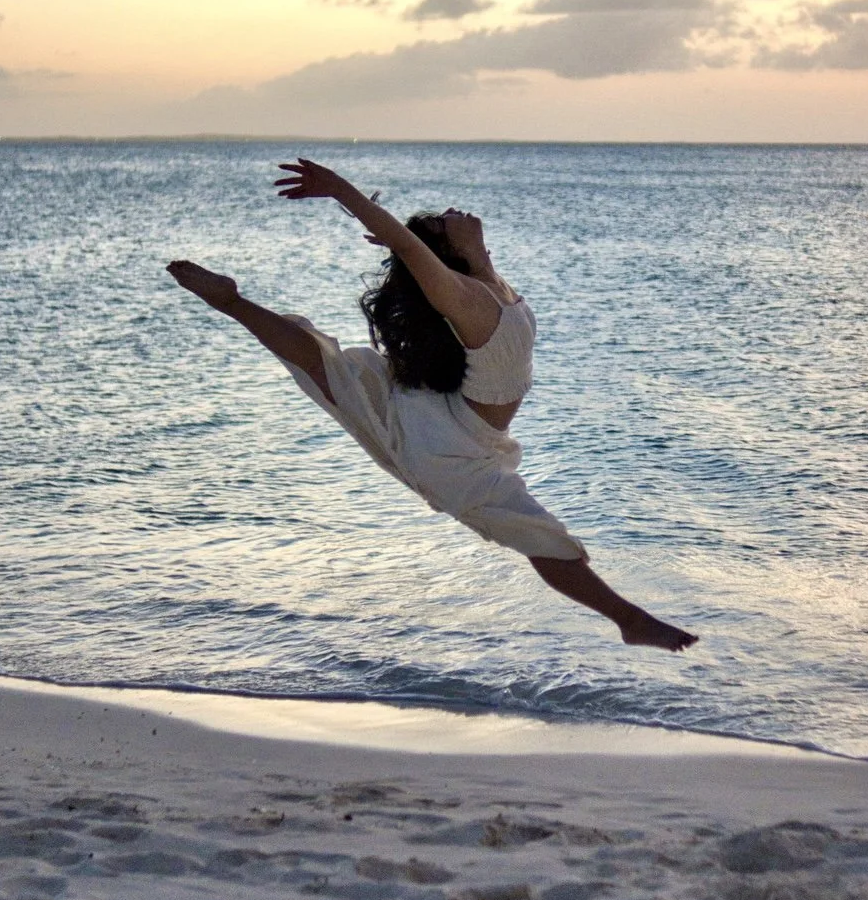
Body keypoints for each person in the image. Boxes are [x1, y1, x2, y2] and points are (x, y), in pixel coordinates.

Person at [166, 158, 698, 651]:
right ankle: (628, 620)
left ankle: (232, 303)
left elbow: (408, 244)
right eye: (445, 223)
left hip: (457, 421)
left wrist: (403, 234)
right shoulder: (464, 297)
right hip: (448, 448)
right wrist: (340, 191)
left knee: (341, 373)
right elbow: (409, 246)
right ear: (443, 255)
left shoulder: (484, 278)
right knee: (536, 531)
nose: (452, 213)